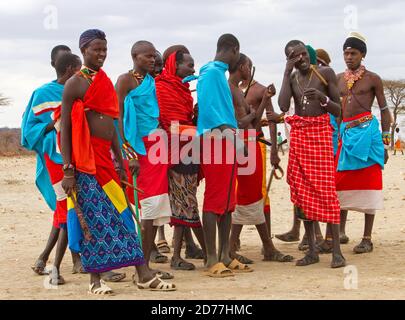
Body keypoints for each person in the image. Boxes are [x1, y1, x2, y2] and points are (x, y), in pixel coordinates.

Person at [60, 29, 175, 294]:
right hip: (85, 163)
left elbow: (113, 122)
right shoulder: (74, 84)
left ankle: (143, 274)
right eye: (96, 49)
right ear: (83, 50)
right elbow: (65, 128)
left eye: (104, 49)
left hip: (107, 161)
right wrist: (68, 170)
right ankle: (95, 280)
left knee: (124, 217)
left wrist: (121, 158)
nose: (101, 54)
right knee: (93, 220)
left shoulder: (105, 80)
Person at [277, 39, 346, 268]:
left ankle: (337, 252)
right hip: (300, 137)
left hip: (320, 135)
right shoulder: (294, 78)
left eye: (303, 54)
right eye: (294, 57)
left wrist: (323, 98)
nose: (301, 59)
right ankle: (313, 251)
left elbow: (339, 110)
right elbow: (284, 105)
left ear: (308, 53)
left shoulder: (325, 72)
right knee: (301, 191)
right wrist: (287, 73)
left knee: (326, 191)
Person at [21, 47, 82, 284]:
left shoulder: (78, 90)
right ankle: (63, 262)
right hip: (55, 158)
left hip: (75, 156)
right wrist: (55, 124)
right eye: (78, 69)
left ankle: (44, 260)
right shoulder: (42, 93)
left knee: (68, 208)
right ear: (69, 69)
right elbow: (28, 133)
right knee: (69, 207)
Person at [116, 40, 173, 280]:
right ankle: (142, 268)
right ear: (134, 56)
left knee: (157, 204)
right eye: (147, 56)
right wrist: (127, 153)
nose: (152, 60)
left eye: (154, 57)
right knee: (148, 206)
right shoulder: (124, 81)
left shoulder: (150, 81)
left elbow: (153, 113)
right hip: (137, 149)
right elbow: (117, 117)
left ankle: (146, 263)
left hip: (156, 146)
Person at [228, 53, 293, 265]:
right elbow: (238, 122)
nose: (250, 68)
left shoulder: (258, 89)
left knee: (257, 194)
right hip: (238, 145)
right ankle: (237, 245)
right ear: (242, 67)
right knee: (242, 194)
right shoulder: (232, 89)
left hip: (254, 144)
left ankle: (263, 245)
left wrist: (274, 150)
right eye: (247, 65)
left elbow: (272, 120)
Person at [197, 33, 252, 277]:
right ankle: (210, 259)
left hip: (227, 140)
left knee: (228, 201)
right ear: (234, 50)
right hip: (216, 140)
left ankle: (225, 255)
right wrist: (234, 139)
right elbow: (210, 114)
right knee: (215, 199)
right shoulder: (210, 73)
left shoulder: (217, 73)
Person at [335, 32, 392, 253]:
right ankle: (339, 232)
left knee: (370, 184)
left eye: (353, 53)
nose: (349, 57)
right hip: (345, 135)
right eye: (346, 53)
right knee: (339, 183)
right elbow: (337, 111)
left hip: (368, 135)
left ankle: (367, 238)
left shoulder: (373, 79)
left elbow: (386, 112)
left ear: (363, 55)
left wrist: (386, 143)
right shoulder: (338, 78)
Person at [155, 46, 207, 271]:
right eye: (189, 64)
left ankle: (197, 249)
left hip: (189, 149)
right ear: (176, 66)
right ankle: (178, 256)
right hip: (175, 152)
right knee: (185, 203)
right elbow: (169, 125)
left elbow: (181, 122)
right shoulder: (162, 88)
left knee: (186, 201)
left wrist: (195, 118)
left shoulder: (183, 90)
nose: (192, 69)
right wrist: (194, 128)